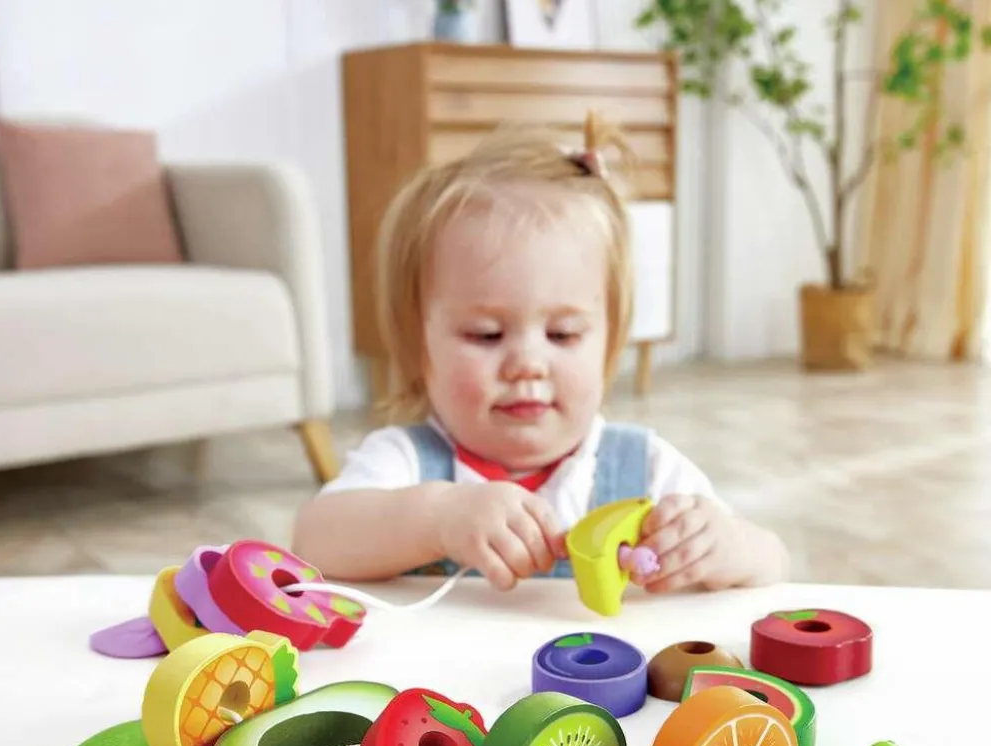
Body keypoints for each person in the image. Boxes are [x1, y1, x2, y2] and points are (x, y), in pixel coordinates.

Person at [292, 113, 788, 593]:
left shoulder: (646, 469)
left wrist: (726, 546)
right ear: (419, 344)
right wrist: (440, 518)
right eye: (487, 335)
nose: (527, 364)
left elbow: (773, 564)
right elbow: (314, 542)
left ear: (609, 342)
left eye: (563, 334)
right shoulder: (406, 461)